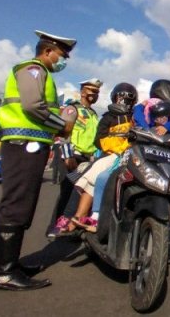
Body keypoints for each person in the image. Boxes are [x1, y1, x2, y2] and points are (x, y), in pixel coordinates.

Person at [0, 30, 76, 291]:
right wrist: (62, 125)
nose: (62, 61)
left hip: (30, 144)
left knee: (23, 203)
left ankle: (10, 264)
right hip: (22, 144)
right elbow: (32, 106)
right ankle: (4, 273)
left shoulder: (41, 72)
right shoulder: (33, 69)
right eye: (62, 55)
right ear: (48, 51)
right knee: (17, 204)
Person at [58, 82, 137, 234]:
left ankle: (78, 219)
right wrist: (67, 155)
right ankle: (70, 219)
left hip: (111, 156)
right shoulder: (99, 115)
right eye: (120, 97)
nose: (123, 101)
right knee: (80, 182)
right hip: (82, 155)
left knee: (90, 178)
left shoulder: (133, 118)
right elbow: (94, 139)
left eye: (128, 99)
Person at [46, 78, 103, 237]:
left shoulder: (93, 114)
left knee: (79, 194)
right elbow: (64, 133)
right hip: (71, 155)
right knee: (66, 192)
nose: (94, 95)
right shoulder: (72, 109)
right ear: (83, 91)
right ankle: (54, 228)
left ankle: (73, 228)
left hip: (86, 158)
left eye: (97, 92)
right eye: (92, 91)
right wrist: (67, 155)